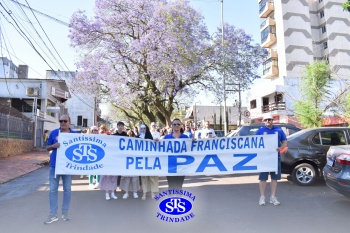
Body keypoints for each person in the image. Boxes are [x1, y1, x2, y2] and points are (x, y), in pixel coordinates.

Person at [44, 115, 75, 224]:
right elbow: (47, 147)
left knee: (67, 190)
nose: (62, 122)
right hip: (54, 166)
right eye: (60, 121)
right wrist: (54, 146)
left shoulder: (74, 135)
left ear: (69, 122)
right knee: (52, 190)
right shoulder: (53, 133)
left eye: (65, 121)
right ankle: (53, 214)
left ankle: (65, 213)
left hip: (68, 167)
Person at [256, 113, 287, 206]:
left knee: (274, 178)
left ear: (272, 120)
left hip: (275, 158)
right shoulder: (260, 131)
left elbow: (284, 142)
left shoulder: (279, 130)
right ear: (263, 121)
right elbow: (254, 144)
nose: (268, 121)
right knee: (262, 178)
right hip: (264, 158)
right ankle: (262, 197)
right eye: (266, 120)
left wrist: (280, 148)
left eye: (269, 119)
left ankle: (273, 197)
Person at [163, 118, 189, 190]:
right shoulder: (167, 137)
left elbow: (190, 149)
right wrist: (156, 142)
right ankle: (171, 200)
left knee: (179, 186)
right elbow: (161, 148)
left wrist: (194, 142)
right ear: (172, 126)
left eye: (178, 124)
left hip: (181, 165)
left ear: (181, 126)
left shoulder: (185, 137)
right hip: (170, 165)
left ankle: (178, 200)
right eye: (174, 124)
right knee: (171, 185)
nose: (176, 125)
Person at [138, 124, 159, 200]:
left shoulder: (150, 137)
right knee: (144, 177)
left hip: (150, 160)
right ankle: (144, 193)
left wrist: (156, 140)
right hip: (142, 160)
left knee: (152, 177)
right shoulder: (136, 138)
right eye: (141, 129)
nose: (143, 130)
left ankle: (152, 192)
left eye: (144, 128)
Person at [120, 130, 140, 199]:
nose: (130, 136)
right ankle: (126, 192)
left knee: (134, 179)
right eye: (129, 135)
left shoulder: (136, 142)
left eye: (131, 135)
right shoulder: (124, 143)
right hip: (126, 164)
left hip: (134, 163)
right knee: (127, 180)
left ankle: (135, 192)